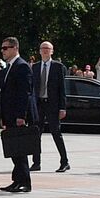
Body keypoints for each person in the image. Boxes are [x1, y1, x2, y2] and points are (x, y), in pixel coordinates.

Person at [0, 36, 35, 193]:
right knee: (13, 149)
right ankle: (17, 180)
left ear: (15, 48)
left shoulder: (22, 66)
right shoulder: (9, 67)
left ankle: (25, 182)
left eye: (5, 48)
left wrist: (21, 115)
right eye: (2, 48)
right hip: (10, 114)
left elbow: (24, 93)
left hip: (18, 115)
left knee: (20, 150)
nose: (3, 51)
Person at [31, 41, 69, 173]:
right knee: (36, 133)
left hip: (53, 104)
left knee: (56, 133)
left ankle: (64, 161)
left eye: (48, 48)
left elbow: (62, 89)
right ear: (39, 51)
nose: (45, 51)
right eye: (43, 48)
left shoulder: (58, 67)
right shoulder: (35, 67)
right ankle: (36, 163)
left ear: (52, 51)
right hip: (39, 104)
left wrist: (62, 107)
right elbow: (32, 88)